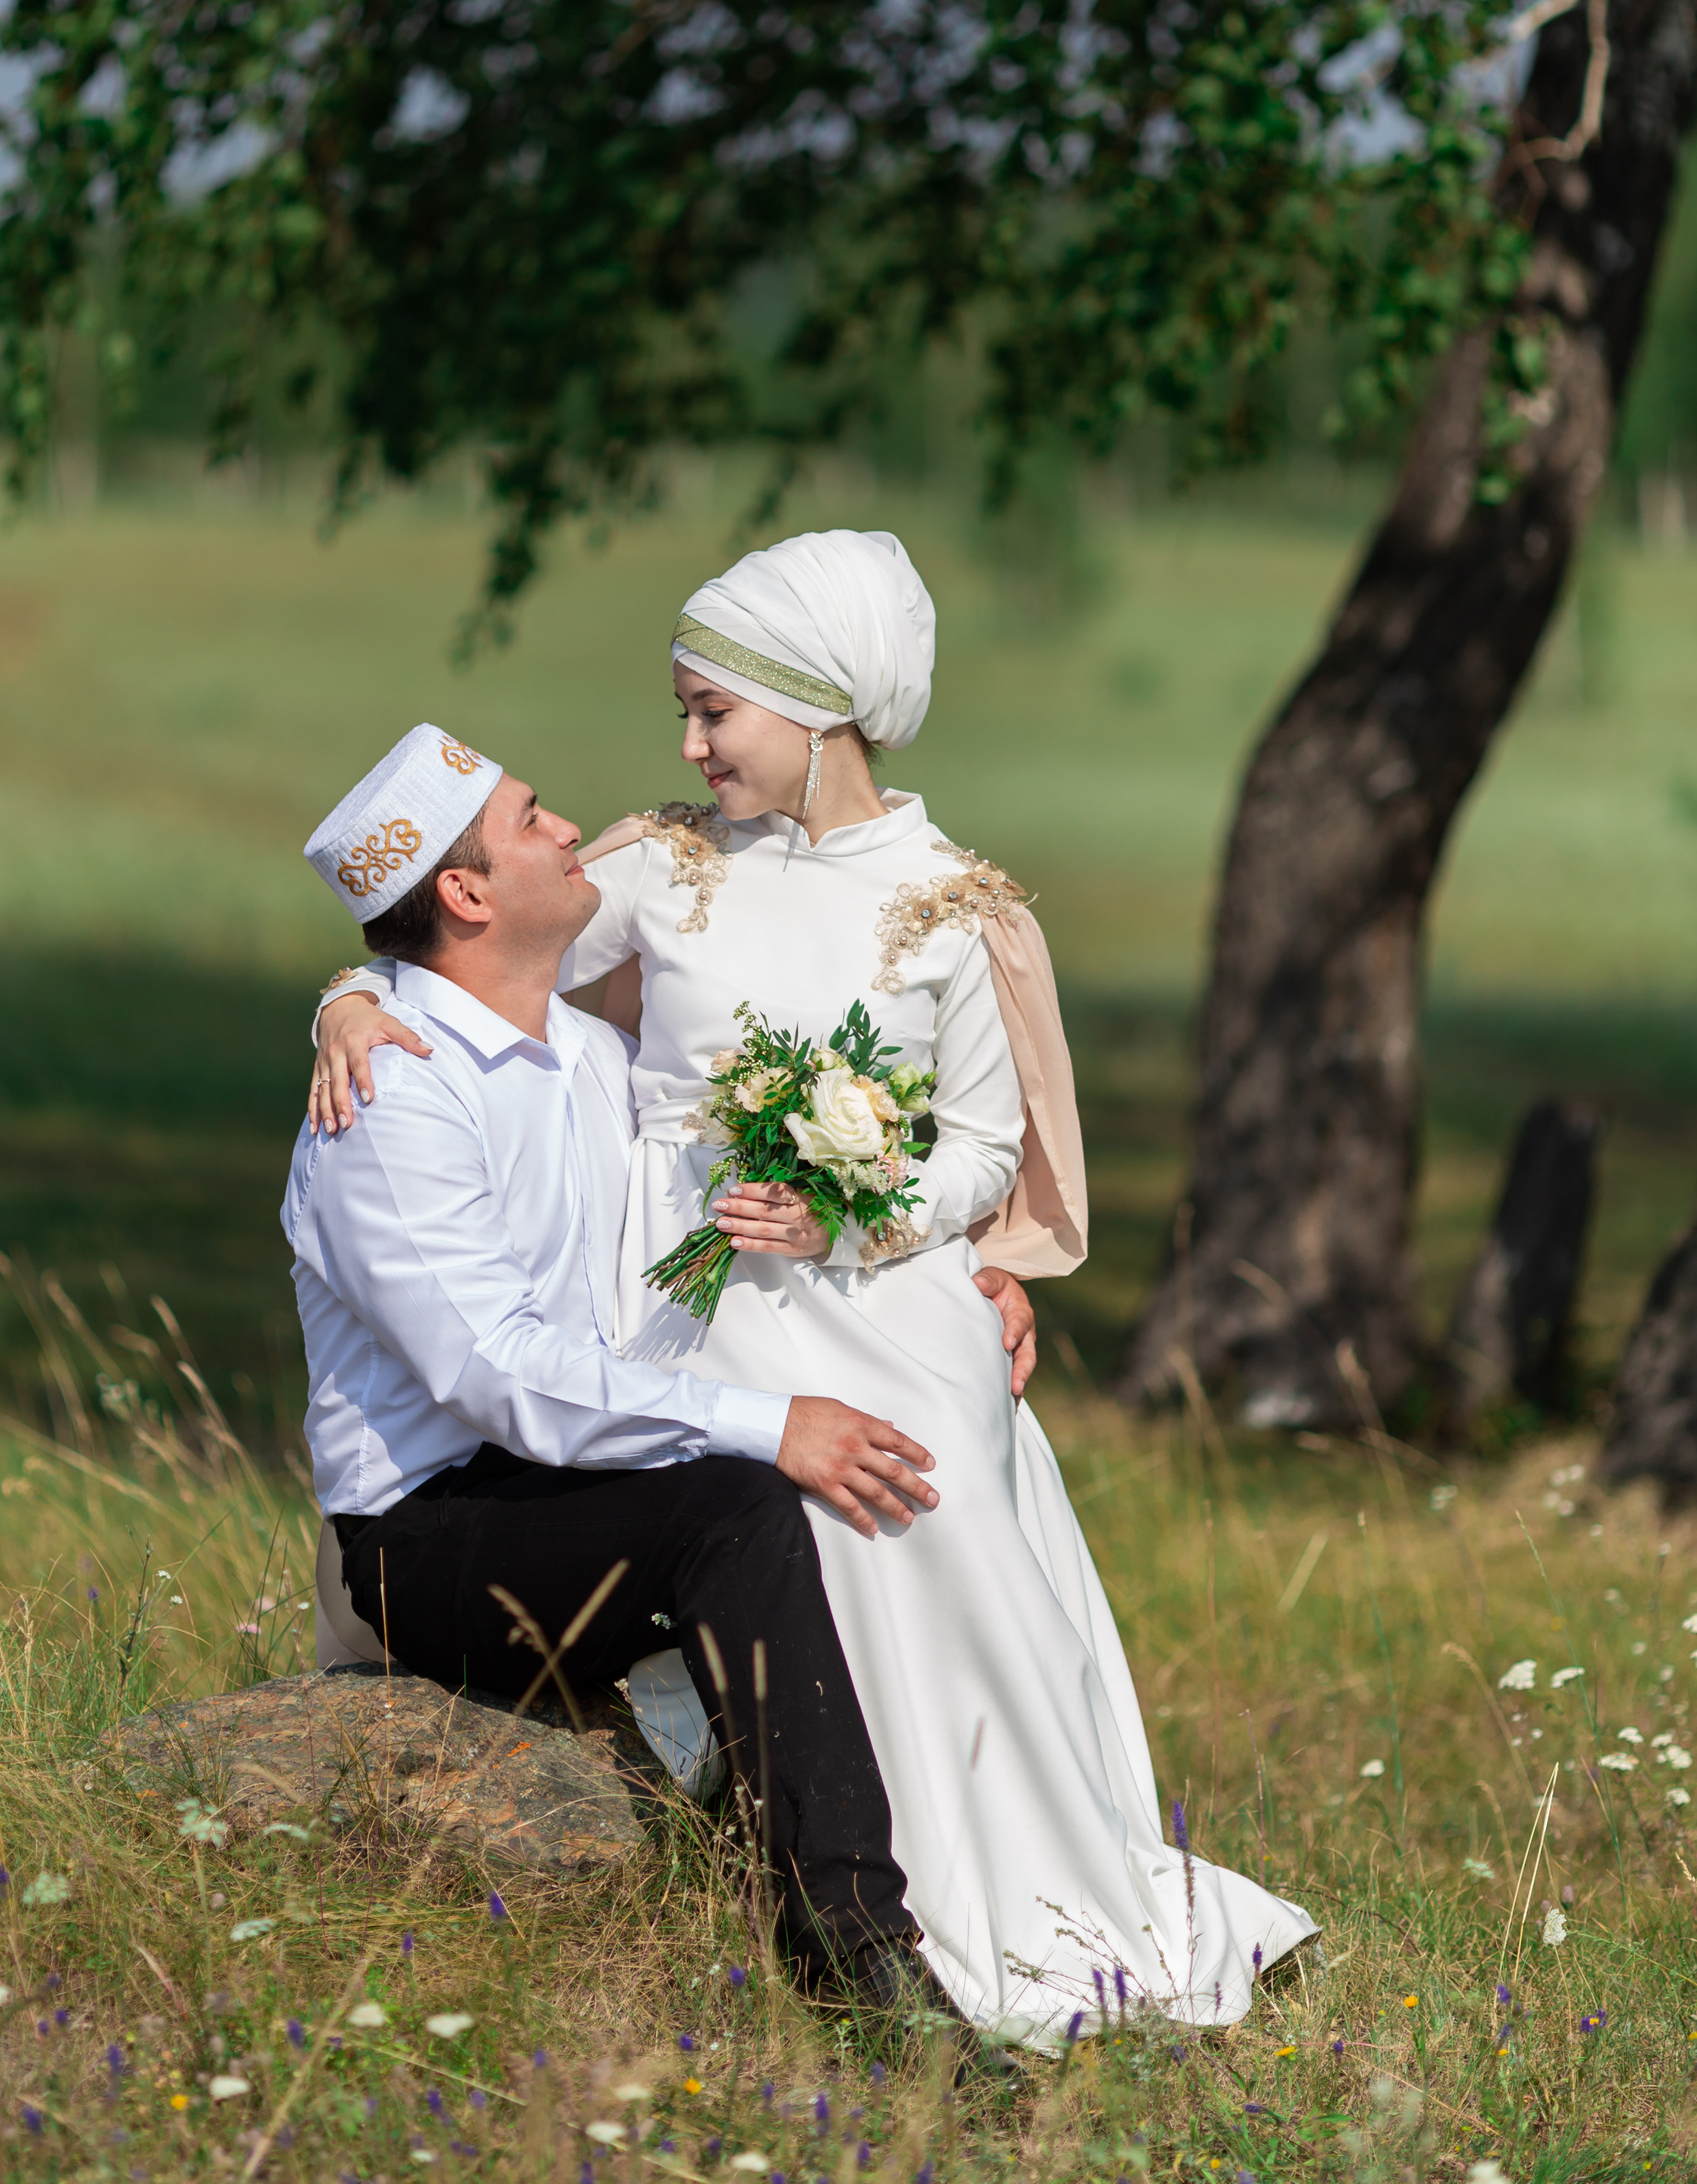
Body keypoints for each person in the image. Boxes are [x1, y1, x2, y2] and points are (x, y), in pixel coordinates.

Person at [312, 536, 1317, 2047]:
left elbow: (983, 1141)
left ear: (817, 706)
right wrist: (342, 1000)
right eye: (683, 711)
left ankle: (993, 1896)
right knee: (757, 1513)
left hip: (885, 1289)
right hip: (686, 1297)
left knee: (939, 1516)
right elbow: (450, 956)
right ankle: (808, 1885)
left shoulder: (952, 904)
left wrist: (883, 1212)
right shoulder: (664, 866)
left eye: (713, 711)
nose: (685, 744)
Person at [285, 718, 938, 2000]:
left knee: (840, 1485)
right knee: (740, 1501)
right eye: (531, 820)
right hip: (429, 1531)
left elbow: (741, 1153)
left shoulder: (586, 1055)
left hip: (564, 1492)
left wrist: (969, 1274)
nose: (569, 828)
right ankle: (856, 1957)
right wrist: (764, 1421)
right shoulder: (389, 1102)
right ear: (466, 894)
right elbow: (499, 1376)